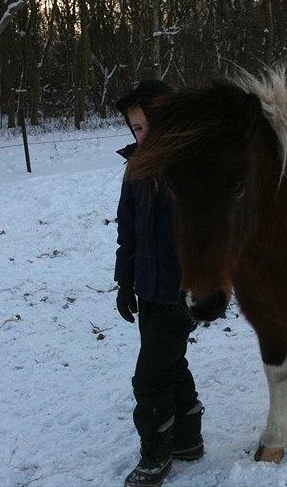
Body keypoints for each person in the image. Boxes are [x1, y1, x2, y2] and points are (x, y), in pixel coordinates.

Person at [114, 80, 203, 487]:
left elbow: (208, 235)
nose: (142, 134)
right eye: (135, 128)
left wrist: (199, 290)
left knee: (149, 377)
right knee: (171, 362)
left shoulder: (189, 166)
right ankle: (187, 441)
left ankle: (155, 455)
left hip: (179, 291)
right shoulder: (135, 168)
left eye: (148, 125)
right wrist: (124, 283)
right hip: (147, 288)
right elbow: (128, 231)